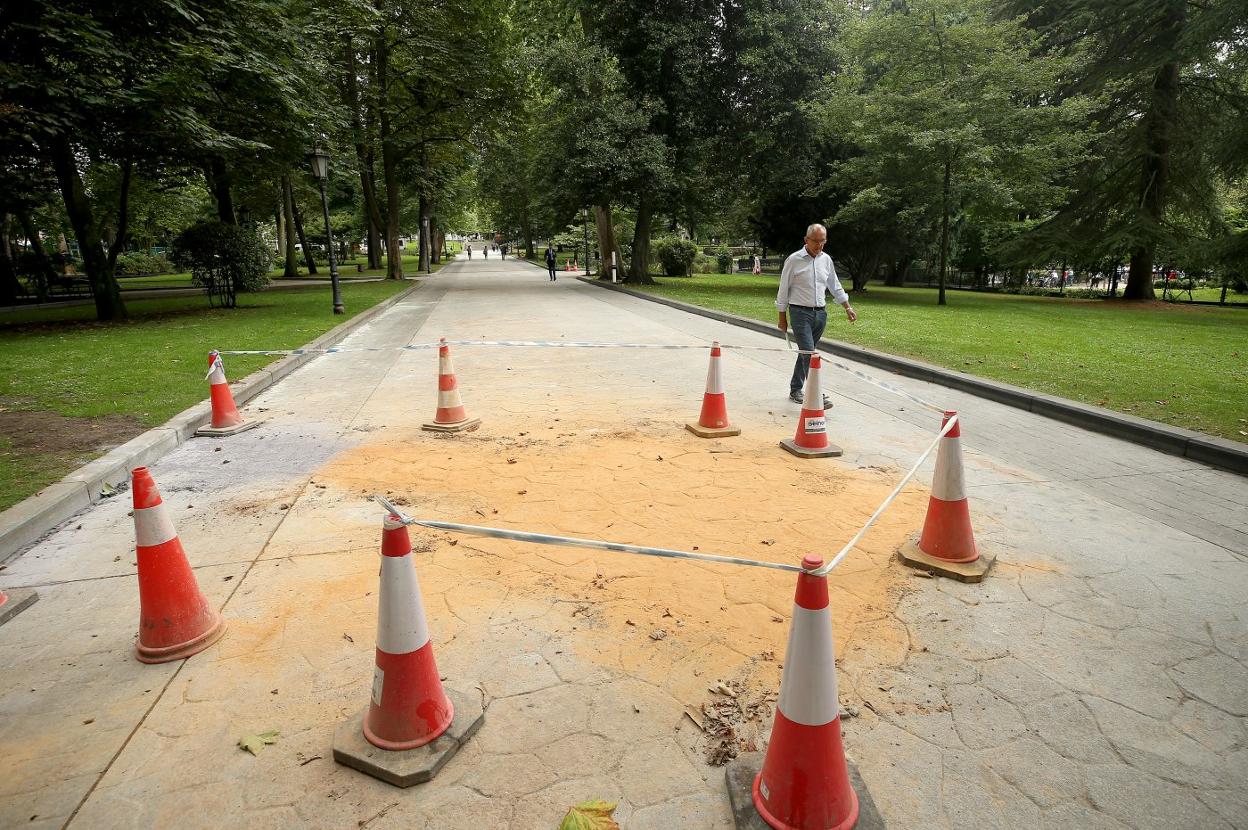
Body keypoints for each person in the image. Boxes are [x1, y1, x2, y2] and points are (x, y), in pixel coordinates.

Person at [775, 223, 856, 406]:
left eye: (823, 241)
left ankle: (796, 389)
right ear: (806, 240)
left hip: (820, 315)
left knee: (805, 353)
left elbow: (835, 285)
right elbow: (783, 290)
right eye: (815, 241)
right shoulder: (794, 260)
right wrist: (782, 317)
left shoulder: (826, 260)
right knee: (810, 354)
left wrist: (847, 307)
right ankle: (817, 394)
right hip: (799, 313)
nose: (819, 245)